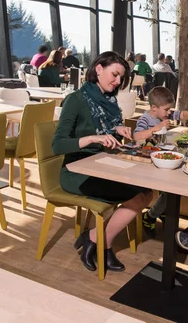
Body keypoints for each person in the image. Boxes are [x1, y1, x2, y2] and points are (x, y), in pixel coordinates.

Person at [52, 51, 153, 273]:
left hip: (101, 164)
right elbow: (57, 145)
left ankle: (93, 238)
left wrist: (116, 130)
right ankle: (103, 245)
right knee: (138, 197)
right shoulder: (76, 100)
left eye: (121, 79)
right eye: (115, 75)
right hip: (76, 171)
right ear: (98, 69)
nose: (117, 82)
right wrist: (92, 138)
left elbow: (107, 136)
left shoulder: (108, 101)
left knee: (148, 191)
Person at [134, 86, 188, 235]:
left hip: (162, 160)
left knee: (173, 185)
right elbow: (137, 136)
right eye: (166, 110)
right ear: (154, 108)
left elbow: (181, 114)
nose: (169, 113)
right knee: (170, 191)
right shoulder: (145, 119)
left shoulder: (164, 115)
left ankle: (163, 212)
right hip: (148, 163)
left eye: (170, 110)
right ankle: (150, 215)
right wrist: (157, 127)